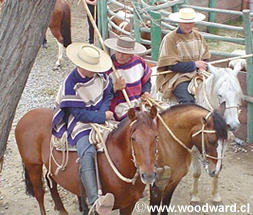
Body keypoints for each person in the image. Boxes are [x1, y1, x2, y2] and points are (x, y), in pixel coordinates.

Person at [52, 43, 114, 215]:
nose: (94, 71)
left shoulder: (100, 76)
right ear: (81, 66)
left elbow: (108, 94)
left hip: (101, 115)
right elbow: (79, 114)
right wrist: (102, 117)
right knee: (87, 152)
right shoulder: (70, 83)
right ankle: (94, 200)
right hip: (79, 123)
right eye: (91, 68)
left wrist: (103, 112)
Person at [156, 8, 211, 104]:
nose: (188, 26)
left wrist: (203, 67)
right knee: (187, 101)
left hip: (198, 73)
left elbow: (205, 58)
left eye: (191, 23)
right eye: (185, 23)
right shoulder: (170, 39)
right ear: (179, 22)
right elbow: (172, 66)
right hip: (178, 76)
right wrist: (194, 64)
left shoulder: (198, 37)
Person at [104, 36, 152, 121]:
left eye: (124, 53)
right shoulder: (108, 67)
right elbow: (101, 94)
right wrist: (114, 88)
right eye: (118, 52)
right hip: (119, 107)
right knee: (137, 123)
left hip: (139, 102)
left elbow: (147, 81)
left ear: (131, 54)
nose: (120, 56)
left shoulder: (139, 62)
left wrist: (146, 92)